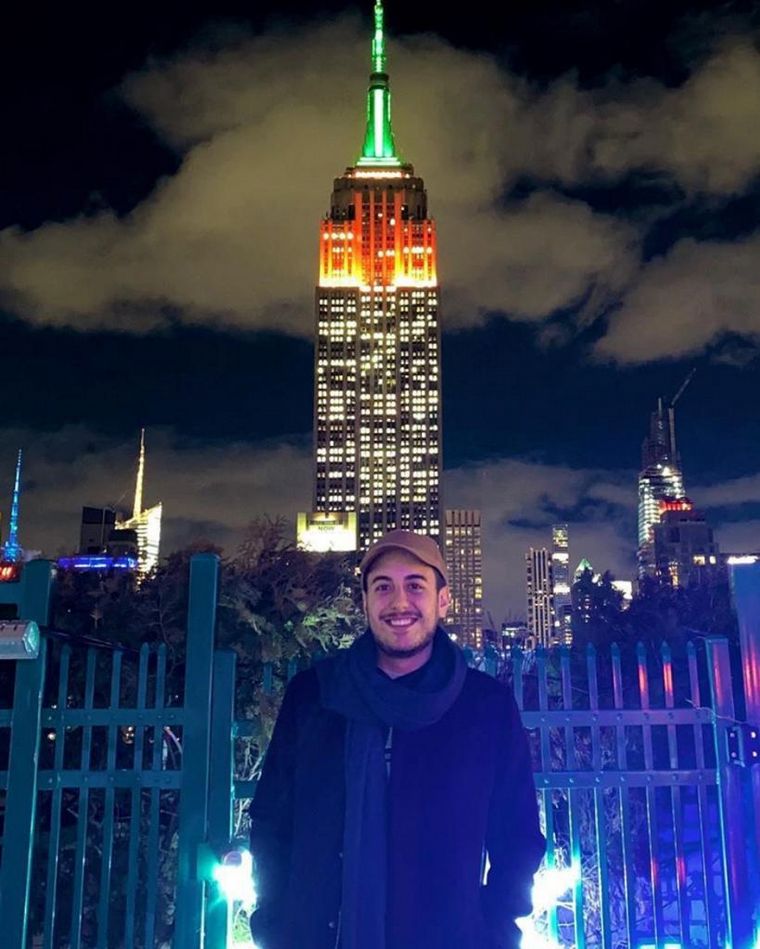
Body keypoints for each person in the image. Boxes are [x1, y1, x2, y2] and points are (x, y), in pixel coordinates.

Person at [249, 529, 545, 949]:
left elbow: (516, 834)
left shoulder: (485, 706)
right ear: (365, 601)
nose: (399, 602)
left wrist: (496, 931)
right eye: (383, 586)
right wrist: (273, 925)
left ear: (443, 600)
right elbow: (272, 821)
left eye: (415, 586)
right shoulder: (314, 695)